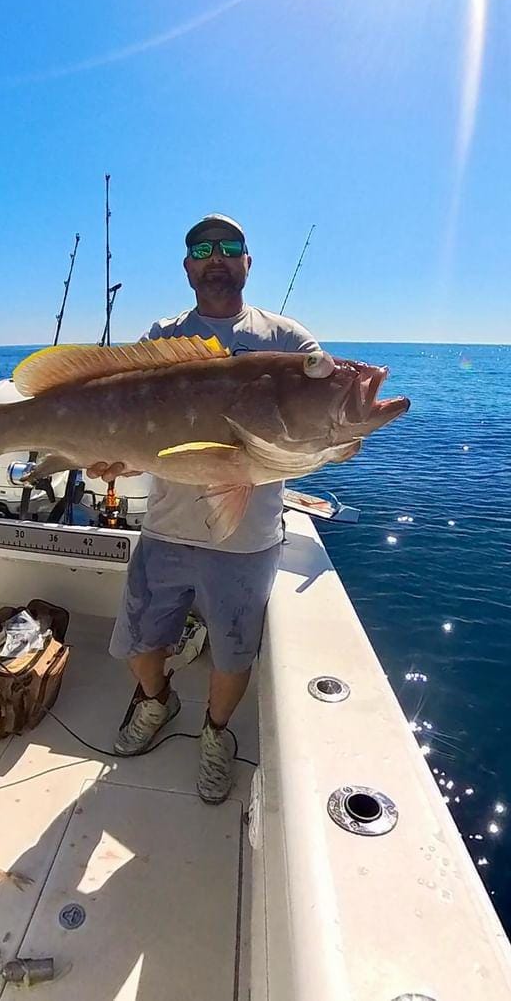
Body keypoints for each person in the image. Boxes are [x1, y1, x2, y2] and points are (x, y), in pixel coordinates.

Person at [87, 213, 320, 803]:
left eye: (229, 246)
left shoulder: (288, 341)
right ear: (188, 267)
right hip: (167, 526)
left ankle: (216, 735)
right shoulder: (163, 336)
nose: (215, 256)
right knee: (141, 640)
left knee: (233, 648)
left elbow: (317, 417)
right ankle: (156, 702)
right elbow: (134, 423)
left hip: (247, 536)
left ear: (248, 261)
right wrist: (114, 458)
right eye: (202, 248)